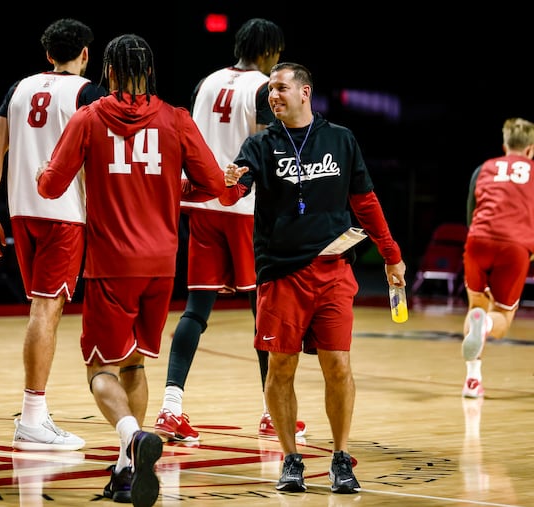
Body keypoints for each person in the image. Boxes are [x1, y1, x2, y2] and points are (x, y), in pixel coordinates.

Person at [37, 33, 225, 507]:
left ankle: (134, 437)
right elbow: (215, 186)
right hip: (161, 265)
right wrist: (179, 186)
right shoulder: (177, 119)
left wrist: (44, 170)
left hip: (110, 264)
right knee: (136, 363)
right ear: (150, 71)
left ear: (111, 72)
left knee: (100, 369)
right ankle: (127, 469)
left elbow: (50, 188)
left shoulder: (88, 117)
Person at [221, 62, 405, 494]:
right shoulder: (260, 145)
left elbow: (366, 201)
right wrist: (227, 182)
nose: (273, 96)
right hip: (281, 274)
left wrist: (391, 255)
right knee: (279, 368)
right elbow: (233, 192)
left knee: (337, 364)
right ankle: (291, 460)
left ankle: (341, 458)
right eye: (270, 90)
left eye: (281, 88)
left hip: (333, 271)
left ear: (305, 92)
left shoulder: (340, 139)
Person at [153, 17, 306, 443]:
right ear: (271, 51)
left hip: (202, 204)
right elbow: (266, 149)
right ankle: (272, 412)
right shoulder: (265, 87)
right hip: (244, 206)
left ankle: (170, 408)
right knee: (265, 311)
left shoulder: (206, 82)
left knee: (196, 310)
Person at [0, 18, 106, 452]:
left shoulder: (18, 87)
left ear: (48, 54)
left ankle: (36, 416)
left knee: (41, 306)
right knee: (46, 310)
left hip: (20, 211)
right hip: (64, 212)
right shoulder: (89, 92)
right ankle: (32, 418)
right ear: (85, 54)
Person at [461, 117, 534, 398]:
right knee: (501, 316)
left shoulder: (484, 168)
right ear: (530, 150)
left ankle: (472, 381)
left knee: (475, 307)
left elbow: (471, 210)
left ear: (505, 146)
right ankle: (488, 325)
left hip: (478, 240)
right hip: (513, 246)